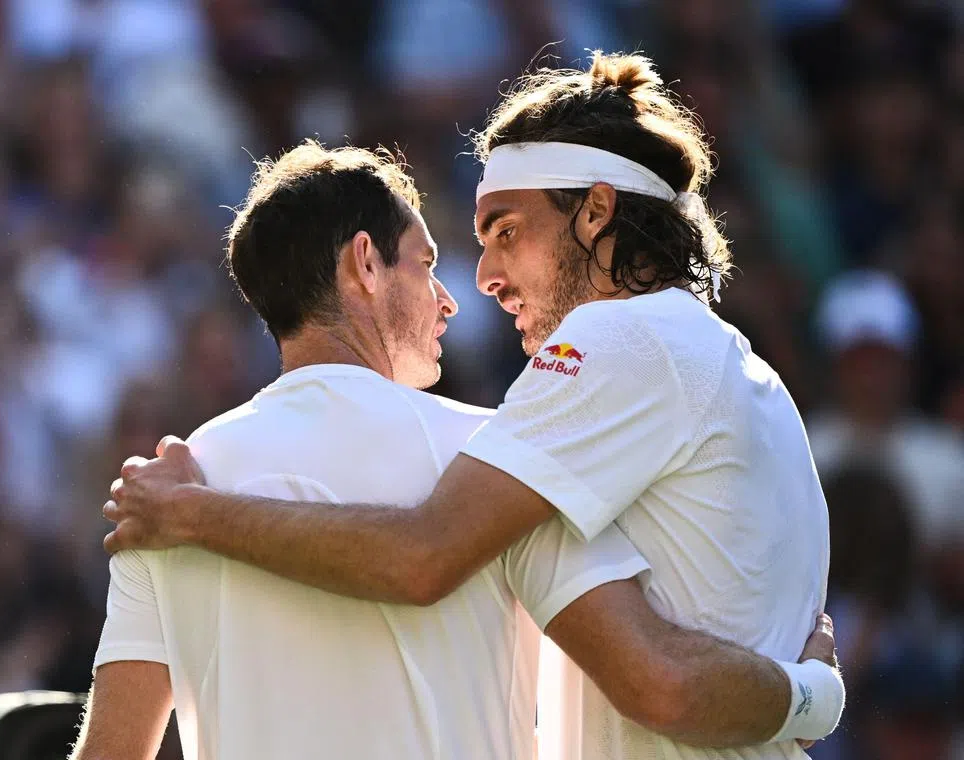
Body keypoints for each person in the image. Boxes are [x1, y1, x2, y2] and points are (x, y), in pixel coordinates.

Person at [102, 52, 841, 760]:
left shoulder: (618, 341)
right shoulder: (738, 370)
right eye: (453, 253)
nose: (481, 279)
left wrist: (194, 514)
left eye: (508, 234)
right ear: (364, 264)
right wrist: (809, 698)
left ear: (597, 214)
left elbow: (428, 553)